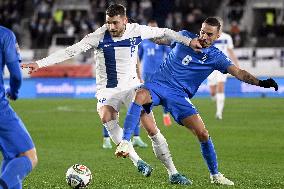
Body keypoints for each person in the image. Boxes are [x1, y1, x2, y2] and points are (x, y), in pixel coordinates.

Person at [22, 4, 202, 184]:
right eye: (108, 23)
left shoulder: (136, 30)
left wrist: (188, 41)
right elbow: (70, 51)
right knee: (106, 116)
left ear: (125, 20)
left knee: (151, 129)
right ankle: (137, 161)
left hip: (132, 87)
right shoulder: (98, 36)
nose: (111, 27)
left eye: (115, 23)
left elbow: (165, 32)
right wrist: (40, 63)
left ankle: (173, 172)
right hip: (107, 90)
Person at [115, 17, 278, 186]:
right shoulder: (184, 37)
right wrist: (136, 29)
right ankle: (126, 142)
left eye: (209, 34)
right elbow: (158, 39)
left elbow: (239, 73)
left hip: (179, 97)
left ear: (217, 36)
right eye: (202, 32)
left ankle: (215, 175)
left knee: (203, 134)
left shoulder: (216, 57)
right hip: (158, 85)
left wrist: (262, 83)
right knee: (140, 94)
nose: (204, 36)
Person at [0, 26, 38, 189]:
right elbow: (16, 75)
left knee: (13, 155)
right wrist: (13, 91)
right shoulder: (4, 35)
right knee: (28, 156)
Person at [138, 19, 172, 127]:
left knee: (164, 94)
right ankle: (145, 118)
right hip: (147, 73)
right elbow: (138, 57)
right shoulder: (143, 42)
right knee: (146, 96)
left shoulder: (162, 42)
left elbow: (169, 56)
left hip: (160, 73)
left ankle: (166, 115)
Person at [207, 18, 240, 120]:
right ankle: (215, 99)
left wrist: (236, 64)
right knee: (213, 92)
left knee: (220, 87)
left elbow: (230, 51)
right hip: (210, 66)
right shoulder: (209, 37)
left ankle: (219, 113)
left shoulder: (227, 37)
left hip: (223, 66)